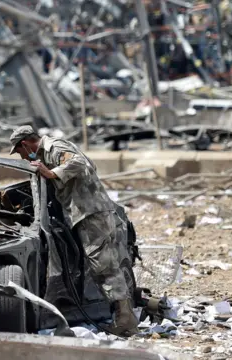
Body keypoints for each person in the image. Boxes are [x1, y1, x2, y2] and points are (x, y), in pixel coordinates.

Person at [9, 125, 139, 337]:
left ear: (25, 144)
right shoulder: (48, 153)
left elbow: (82, 163)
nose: (23, 157)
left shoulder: (55, 148)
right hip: (86, 213)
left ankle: (125, 320)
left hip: (90, 212)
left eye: (20, 152)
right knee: (104, 265)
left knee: (104, 267)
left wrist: (52, 173)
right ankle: (124, 317)